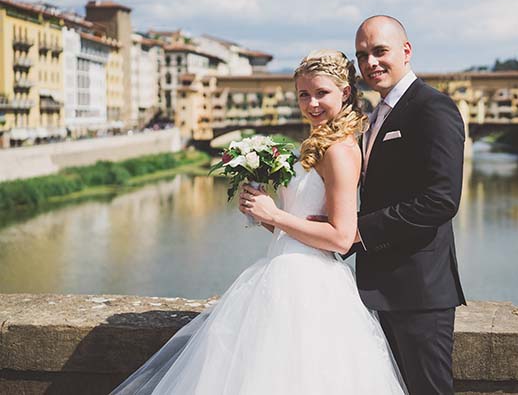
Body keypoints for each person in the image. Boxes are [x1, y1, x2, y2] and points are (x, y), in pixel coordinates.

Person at [109, 50, 407, 395]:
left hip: (309, 288)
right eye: (303, 94)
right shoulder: (317, 141)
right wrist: (260, 212)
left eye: (321, 93)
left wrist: (274, 214)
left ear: (344, 92)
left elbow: (341, 238)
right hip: (282, 272)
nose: (311, 104)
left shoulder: (340, 150)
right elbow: (298, 228)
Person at [351, 15, 466, 395]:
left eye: (380, 51)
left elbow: (441, 200)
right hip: (378, 289)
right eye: (362, 55)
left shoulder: (432, 108)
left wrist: (360, 232)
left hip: (419, 292)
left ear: (406, 50)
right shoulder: (375, 115)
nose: (371, 63)